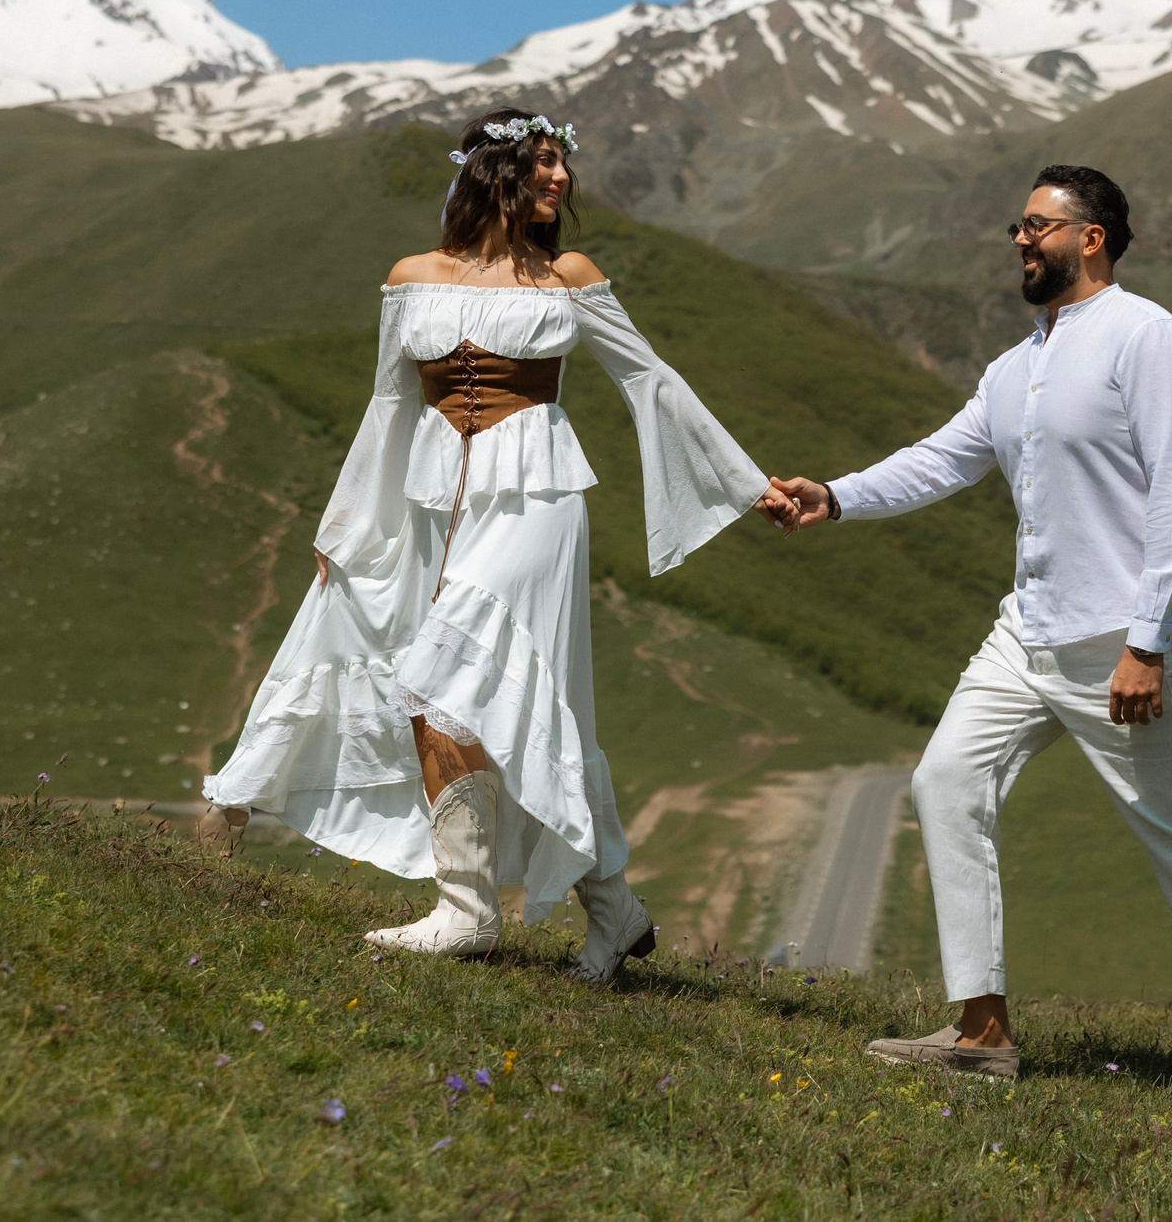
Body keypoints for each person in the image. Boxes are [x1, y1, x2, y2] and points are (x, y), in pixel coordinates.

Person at [206, 108, 793, 982]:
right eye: (544, 162)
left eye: (563, 166)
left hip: (539, 500)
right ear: (494, 170)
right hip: (440, 504)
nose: (561, 178)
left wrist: (747, 484)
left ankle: (467, 912)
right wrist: (347, 525)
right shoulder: (412, 277)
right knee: (514, 702)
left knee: (438, 676)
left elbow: (648, 377)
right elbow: (388, 404)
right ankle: (609, 909)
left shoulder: (567, 276)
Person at [769, 164, 1172, 1122]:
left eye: (1036, 224)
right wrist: (836, 496)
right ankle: (981, 1034)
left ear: (1090, 237)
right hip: (1028, 632)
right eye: (1017, 226)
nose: (1020, 239)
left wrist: (1147, 643)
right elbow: (943, 458)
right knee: (945, 780)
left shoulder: (1149, 337)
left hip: (1124, 641)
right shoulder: (1018, 364)